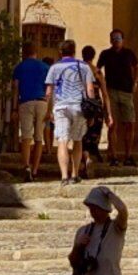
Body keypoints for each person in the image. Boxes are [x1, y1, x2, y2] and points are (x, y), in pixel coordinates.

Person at [45, 42, 96, 183]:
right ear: (74, 51)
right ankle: (75, 174)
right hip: (78, 107)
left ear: (61, 52)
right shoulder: (84, 67)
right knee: (77, 140)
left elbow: (48, 92)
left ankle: (63, 176)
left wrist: (49, 111)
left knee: (62, 141)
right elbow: (90, 90)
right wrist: (91, 113)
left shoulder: (54, 67)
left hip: (61, 107)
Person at [98, 30, 138, 163]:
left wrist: (135, 82)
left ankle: (128, 155)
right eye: (113, 38)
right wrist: (102, 84)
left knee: (130, 124)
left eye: (118, 38)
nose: (116, 40)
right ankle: (113, 155)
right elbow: (98, 70)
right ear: (110, 40)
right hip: (111, 92)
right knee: (112, 124)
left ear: (123, 39)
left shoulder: (129, 53)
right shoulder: (105, 54)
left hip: (126, 92)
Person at [10, 41, 51, 170]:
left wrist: (14, 108)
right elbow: (49, 90)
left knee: (26, 137)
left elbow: (16, 89)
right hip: (41, 102)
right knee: (39, 137)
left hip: (25, 102)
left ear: (24, 53)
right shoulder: (45, 67)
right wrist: (49, 108)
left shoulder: (19, 67)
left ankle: (26, 166)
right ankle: (35, 169)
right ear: (35, 52)